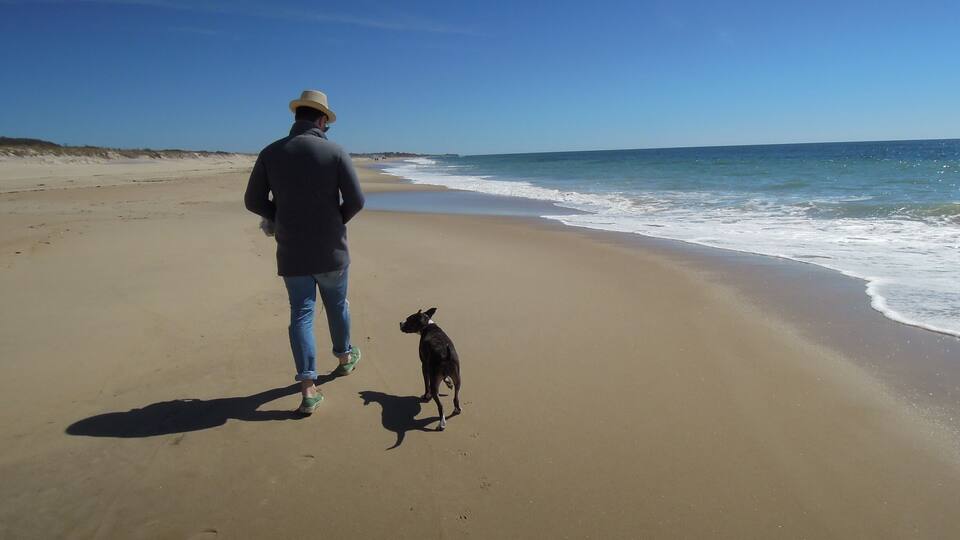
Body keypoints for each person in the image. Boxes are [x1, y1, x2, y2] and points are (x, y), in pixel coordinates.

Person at [244, 89, 365, 414]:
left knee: (301, 314)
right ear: (322, 119)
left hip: (292, 251)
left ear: (297, 117)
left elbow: (253, 201)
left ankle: (308, 389)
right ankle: (343, 358)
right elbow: (356, 201)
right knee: (337, 304)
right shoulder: (335, 152)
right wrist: (334, 222)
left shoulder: (271, 153)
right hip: (331, 252)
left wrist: (278, 215)